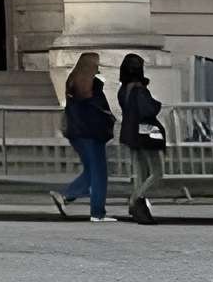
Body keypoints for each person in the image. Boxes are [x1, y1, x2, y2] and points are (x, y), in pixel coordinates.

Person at [58, 51, 115, 222]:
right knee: (99, 173)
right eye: (96, 65)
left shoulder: (73, 81)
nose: (98, 69)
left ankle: (69, 195)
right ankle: (97, 212)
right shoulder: (92, 85)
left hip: (77, 133)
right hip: (91, 133)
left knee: (92, 170)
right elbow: (100, 107)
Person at [114, 53, 168, 225]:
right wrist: (157, 104)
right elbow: (148, 110)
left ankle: (138, 205)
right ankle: (135, 199)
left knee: (140, 173)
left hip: (130, 133)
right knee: (156, 172)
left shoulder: (123, 89)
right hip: (145, 132)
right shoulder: (139, 90)